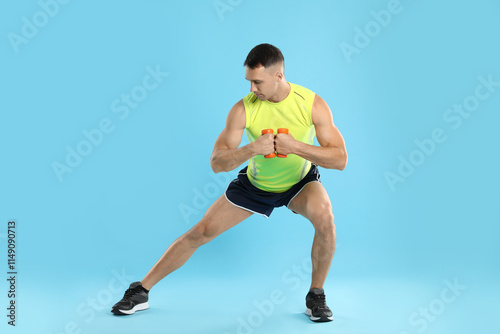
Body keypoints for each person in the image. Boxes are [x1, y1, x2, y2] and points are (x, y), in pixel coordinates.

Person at [111, 43, 348, 322]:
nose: (252, 89)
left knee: (326, 220)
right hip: (256, 185)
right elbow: (216, 163)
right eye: (249, 81)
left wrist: (296, 146)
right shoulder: (243, 110)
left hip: (299, 183)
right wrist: (251, 149)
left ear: (279, 76)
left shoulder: (311, 104)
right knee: (201, 232)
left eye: (257, 82)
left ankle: (316, 296)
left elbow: (339, 159)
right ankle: (140, 291)